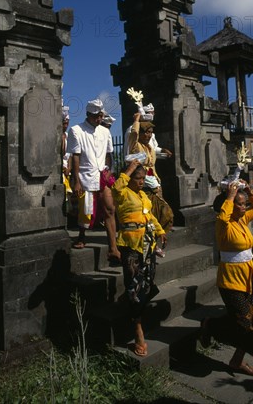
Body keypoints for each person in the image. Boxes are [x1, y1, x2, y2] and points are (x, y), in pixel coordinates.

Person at [200, 180, 253, 376]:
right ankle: (210, 325)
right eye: (240, 204)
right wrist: (229, 196)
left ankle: (237, 360)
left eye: (245, 204)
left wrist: (250, 192)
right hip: (231, 280)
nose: (244, 207)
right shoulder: (224, 225)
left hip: (249, 278)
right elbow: (222, 216)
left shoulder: (242, 220)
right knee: (244, 321)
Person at [112, 159, 167, 357]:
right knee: (134, 286)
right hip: (130, 245)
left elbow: (150, 216)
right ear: (130, 178)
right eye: (138, 178)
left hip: (147, 244)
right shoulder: (122, 193)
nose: (142, 181)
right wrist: (131, 167)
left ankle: (133, 304)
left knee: (147, 282)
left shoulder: (143, 195)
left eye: (144, 178)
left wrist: (160, 231)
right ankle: (138, 330)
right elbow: (117, 185)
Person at [67, 99, 121, 263]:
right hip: (85, 175)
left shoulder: (105, 132)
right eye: (96, 116)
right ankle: (82, 237)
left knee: (110, 209)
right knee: (86, 211)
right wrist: (76, 181)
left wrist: (108, 171)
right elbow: (75, 156)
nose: (99, 119)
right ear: (89, 115)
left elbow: (108, 154)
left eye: (101, 116)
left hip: (102, 175)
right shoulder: (76, 130)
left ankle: (113, 247)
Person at [127, 112, 174, 254]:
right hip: (144, 189)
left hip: (155, 186)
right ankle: (151, 245)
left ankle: (156, 240)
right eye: (146, 132)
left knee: (165, 214)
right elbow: (134, 134)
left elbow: (152, 162)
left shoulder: (150, 148)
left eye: (150, 133)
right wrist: (136, 120)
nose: (148, 135)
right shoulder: (136, 146)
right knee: (148, 218)